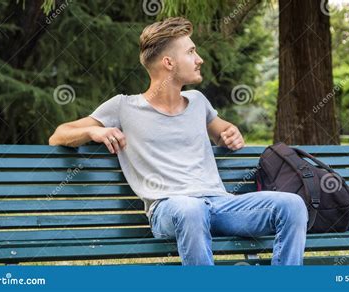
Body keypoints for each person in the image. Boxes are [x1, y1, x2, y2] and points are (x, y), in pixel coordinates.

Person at [49, 17, 308, 265]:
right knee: (190, 209)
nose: (199, 59)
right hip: (170, 209)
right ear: (169, 63)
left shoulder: (198, 101)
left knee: (291, 205)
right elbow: (59, 135)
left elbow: (222, 130)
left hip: (219, 204)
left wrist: (230, 132)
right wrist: (94, 132)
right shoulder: (123, 107)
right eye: (191, 52)